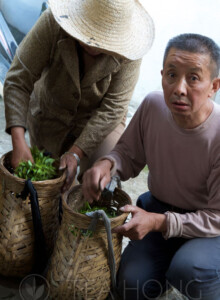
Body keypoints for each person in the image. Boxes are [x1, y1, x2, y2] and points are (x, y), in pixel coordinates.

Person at [82, 33, 220, 300]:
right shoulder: (153, 106)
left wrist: (158, 222)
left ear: (214, 86)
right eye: (171, 74)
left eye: (193, 78)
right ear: (162, 75)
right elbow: (127, 154)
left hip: (209, 229)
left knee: (190, 269)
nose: (179, 88)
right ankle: (165, 268)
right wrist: (107, 164)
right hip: (160, 209)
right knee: (131, 284)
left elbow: (216, 217)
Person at [3, 0, 154, 191]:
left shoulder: (130, 48)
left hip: (100, 122)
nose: (92, 44)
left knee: (100, 181)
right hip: (50, 112)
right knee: (50, 185)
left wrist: (75, 153)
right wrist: (18, 140)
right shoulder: (54, 22)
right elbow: (19, 78)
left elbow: (113, 108)